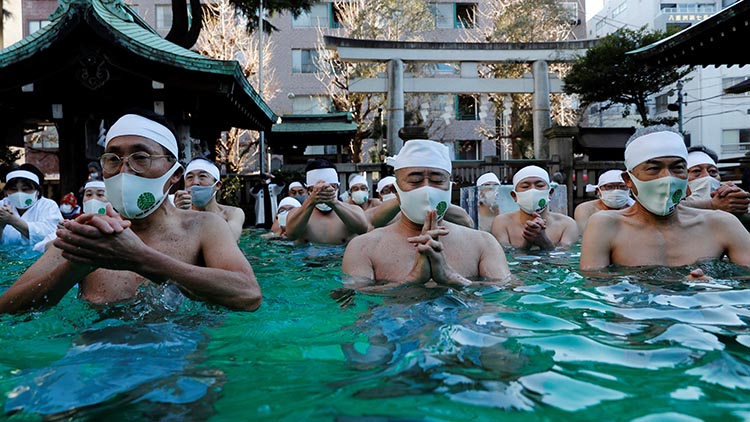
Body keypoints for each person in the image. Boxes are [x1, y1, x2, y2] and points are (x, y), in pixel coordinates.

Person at [0, 112, 261, 314]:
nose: (124, 171)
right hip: (94, 361)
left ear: (174, 174)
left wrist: (139, 258)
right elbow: (7, 308)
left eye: (141, 158)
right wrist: (76, 266)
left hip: (182, 363)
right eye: (113, 159)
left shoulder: (204, 227)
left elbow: (248, 295)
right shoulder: (89, 233)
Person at [342, 139, 510, 290]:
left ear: (450, 188)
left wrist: (452, 278)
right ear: (396, 191)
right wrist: (411, 281)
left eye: (437, 181)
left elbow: (504, 297)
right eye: (415, 181)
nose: (427, 190)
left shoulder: (483, 244)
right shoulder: (363, 248)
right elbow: (352, 303)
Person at [580, 126, 750, 270]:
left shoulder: (722, 224)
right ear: (629, 180)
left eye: (677, 168)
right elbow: (595, 291)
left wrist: (711, 289)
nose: (667, 178)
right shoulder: (606, 226)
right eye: (654, 169)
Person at [490, 165, 578, 250]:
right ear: (514, 196)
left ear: (550, 193)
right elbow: (503, 258)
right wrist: (527, 243)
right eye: (525, 186)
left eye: (539, 186)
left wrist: (545, 242)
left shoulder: (567, 225)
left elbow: (564, 261)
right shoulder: (502, 223)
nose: (533, 190)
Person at [285, 159, 369, 244]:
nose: (324, 192)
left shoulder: (354, 210)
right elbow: (291, 235)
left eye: (332, 187)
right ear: (308, 190)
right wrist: (311, 201)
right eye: (316, 189)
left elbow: (362, 230)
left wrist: (334, 202)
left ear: (338, 188)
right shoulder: (295, 213)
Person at [173, 158, 245, 242]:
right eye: (190, 177)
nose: (195, 182)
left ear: (217, 185)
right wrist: (181, 215)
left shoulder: (233, 213)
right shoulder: (176, 211)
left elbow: (230, 242)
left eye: (202, 176)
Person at [0, 165, 63, 249]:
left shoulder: (48, 206)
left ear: (37, 191)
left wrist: (13, 220)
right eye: (13, 189)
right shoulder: (2, 205)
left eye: (25, 189)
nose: (19, 194)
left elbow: (51, 235)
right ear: (6, 191)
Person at [681, 147, 750, 216]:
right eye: (696, 171)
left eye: (712, 171)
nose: (707, 176)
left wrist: (739, 204)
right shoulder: (674, 212)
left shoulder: (731, 204)